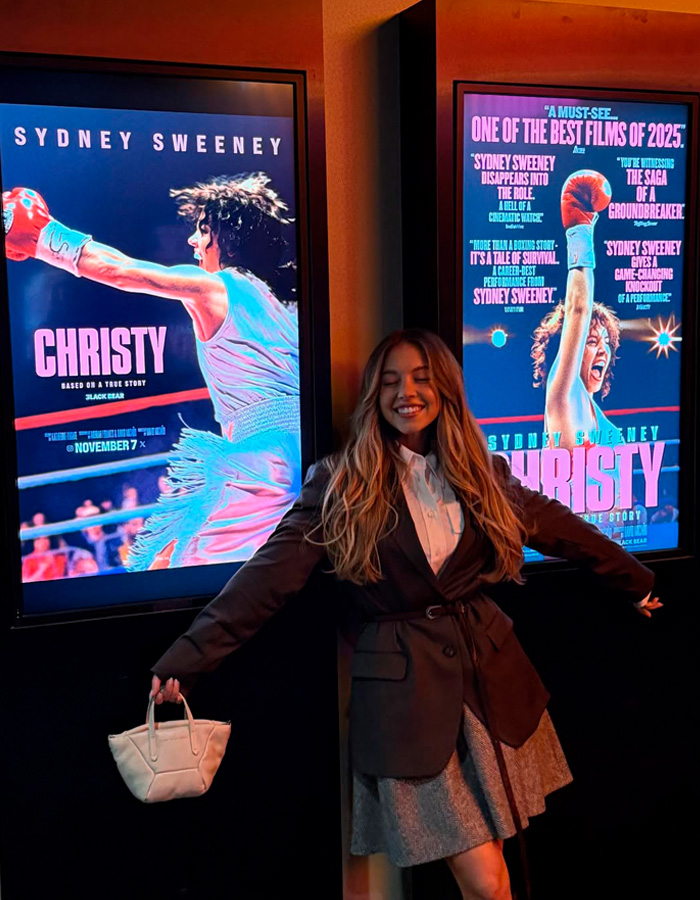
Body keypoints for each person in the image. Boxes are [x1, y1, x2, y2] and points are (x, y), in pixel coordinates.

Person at [150, 328, 661, 900]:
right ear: (374, 395)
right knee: (487, 881)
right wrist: (187, 659)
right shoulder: (341, 483)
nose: (406, 392)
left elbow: (560, 527)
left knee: (494, 874)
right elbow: (266, 579)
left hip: (489, 686)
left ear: (443, 388)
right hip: (407, 704)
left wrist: (635, 582)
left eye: (420, 378)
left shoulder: (480, 473)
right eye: (390, 381)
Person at [2, 176, 300, 571]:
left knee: (183, 578)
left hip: (261, 464)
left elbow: (121, 271)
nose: (193, 241)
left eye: (203, 229)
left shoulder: (215, 287)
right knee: (186, 567)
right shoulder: (288, 304)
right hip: (303, 458)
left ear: (227, 236)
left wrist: (43, 236)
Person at [531, 170, 621, 451]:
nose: (603, 350)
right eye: (592, 341)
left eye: (606, 342)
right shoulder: (563, 394)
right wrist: (579, 231)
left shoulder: (600, 417)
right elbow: (579, 309)